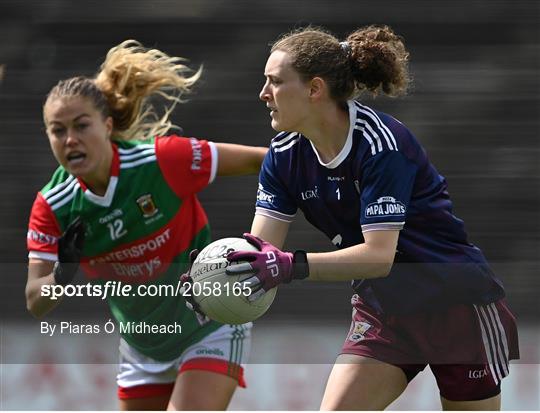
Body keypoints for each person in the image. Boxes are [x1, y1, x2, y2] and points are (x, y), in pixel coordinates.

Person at [224, 25, 520, 410]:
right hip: (385, 313)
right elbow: (262, 253)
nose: (264, 93)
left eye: (276, 82)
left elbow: (378, 257)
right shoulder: (282, 155)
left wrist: (291, 266)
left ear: (314, 89)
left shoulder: (381, 145)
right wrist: (217, 284)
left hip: (457, 307)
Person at [25, 40, 266, 411]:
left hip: (209, 326)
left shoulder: (162, 160)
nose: (70, 139)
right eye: (58, 131)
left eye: (81, 125)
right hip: (142, 347)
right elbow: (35, 301)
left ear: (107, 126)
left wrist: (327, 175)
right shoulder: (53, 206)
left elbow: (261, 162)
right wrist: (61, 274)